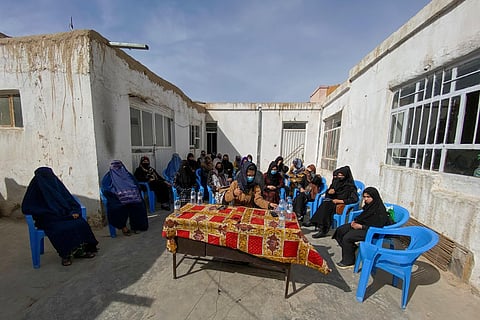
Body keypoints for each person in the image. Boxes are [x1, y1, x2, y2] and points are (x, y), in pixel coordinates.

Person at [22, 167, 99, 266]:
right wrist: (47, 211)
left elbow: (70, 200)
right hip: (47, 219)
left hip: (64, 214)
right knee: (60, 229)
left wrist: (74, 211)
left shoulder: (57, 185)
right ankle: (65, 255)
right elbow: (27, 208)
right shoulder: (35, 190)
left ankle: (81, 251)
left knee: (81, 223)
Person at [332, 187, 391, 269]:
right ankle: (351, 249)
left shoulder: (380, 210)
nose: (365, 199)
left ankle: (349, 261)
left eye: (368, 197)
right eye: (364, 197)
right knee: (340, 230)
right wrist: (356, 221)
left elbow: (378, 225)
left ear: (374, 197)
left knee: (347, 237)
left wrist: (361, 226)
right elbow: (364, 216)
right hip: (362, 225)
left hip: (372, 231)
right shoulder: (369, 206)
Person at [101, 160, 148, 236]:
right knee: (118, 208)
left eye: (119, 167)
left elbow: (136, 185)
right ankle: (123, 227)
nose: (118, 169)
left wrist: (133, 192)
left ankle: (137, 226)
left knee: (138, 205)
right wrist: (117, 194)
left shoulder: (128, 175)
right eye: (115, 167)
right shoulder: (108, 177)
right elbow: (106, 189)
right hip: (116, 199)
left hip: (131, 197)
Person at [310, 166, 358, 238]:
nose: (339, 177)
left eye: (341, 175)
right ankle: (319, 225)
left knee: (327, 206)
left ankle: (323, 229)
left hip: (342, 205)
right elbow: (328, 194)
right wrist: (329, 192)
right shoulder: (337, 183)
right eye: (339, 175)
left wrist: (339, 201)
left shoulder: (350, 186)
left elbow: (354, 199)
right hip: (332, 202)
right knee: (326, 203)